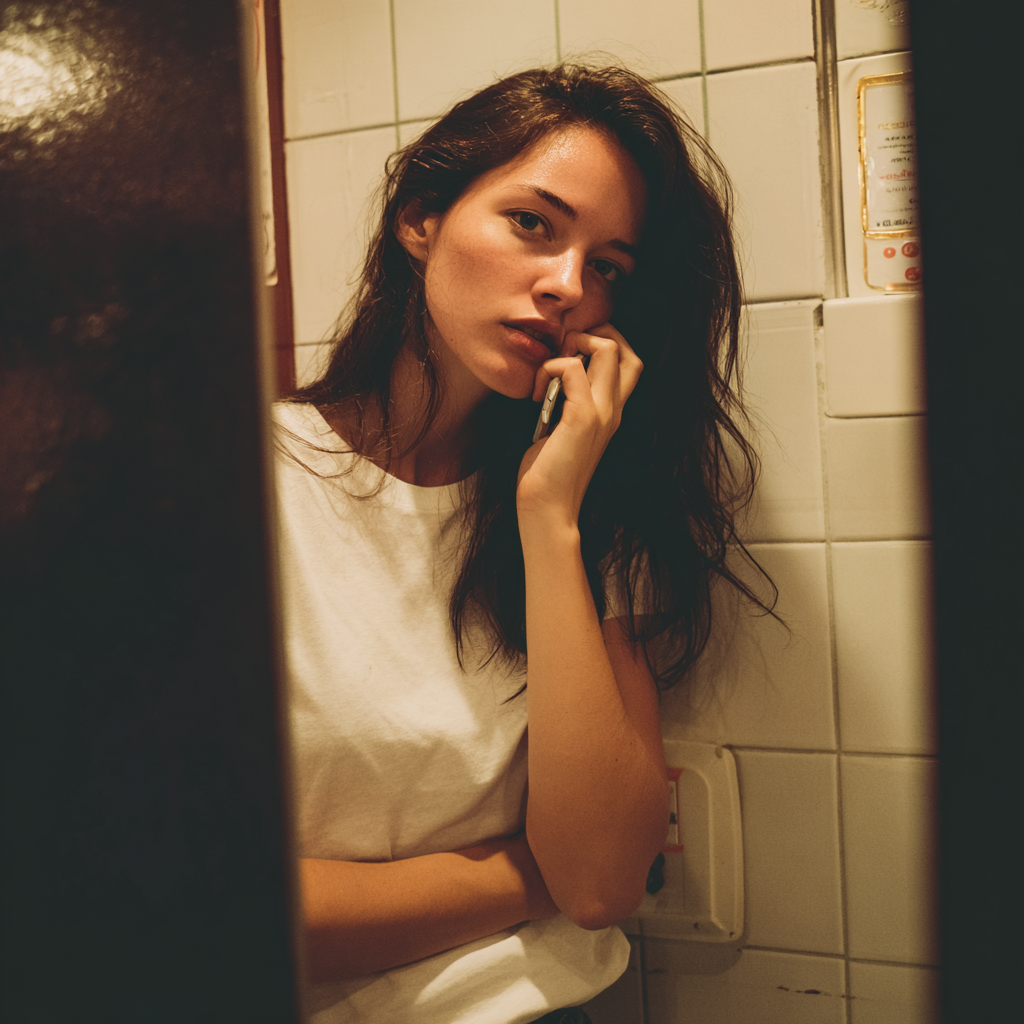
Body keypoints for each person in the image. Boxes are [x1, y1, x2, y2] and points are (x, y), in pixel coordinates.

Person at [274, 64, 770, 1024]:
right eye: (533, 223)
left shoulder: (584, 500)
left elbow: (600, 883)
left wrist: (549, 519)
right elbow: (221, 905)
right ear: (420, 219)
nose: (567, 286)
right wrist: (525, 875)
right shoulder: (239, 484)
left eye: (609, 266)